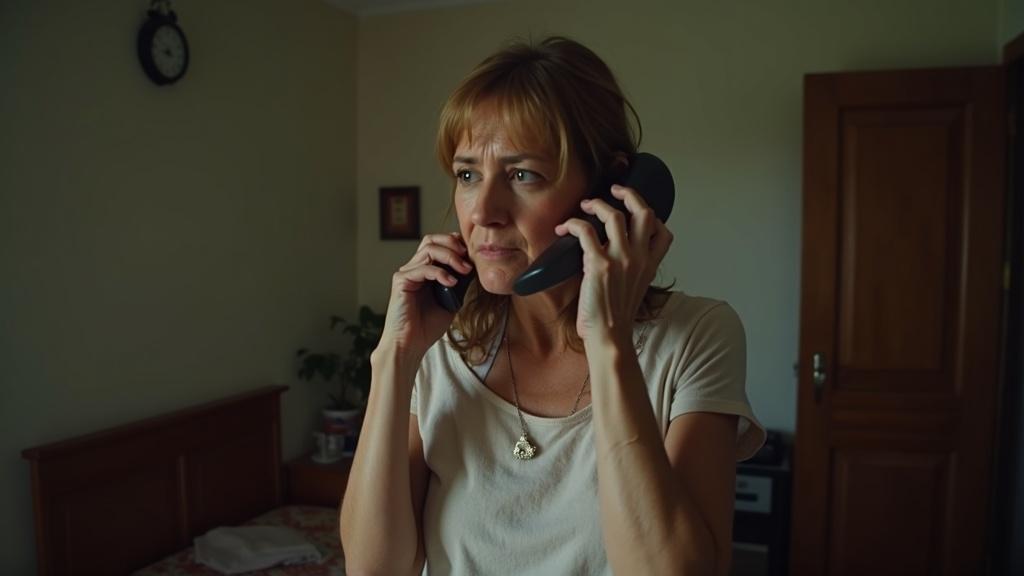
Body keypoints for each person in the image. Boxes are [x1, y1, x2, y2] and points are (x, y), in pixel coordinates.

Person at [340, 36, 765, 576]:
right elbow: (373, 569)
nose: (483, 212)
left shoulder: (697, 337)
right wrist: (394, 358)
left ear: (609, 192)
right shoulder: (440, 348)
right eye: (468, 175)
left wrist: (608, 341)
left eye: (523, 175)